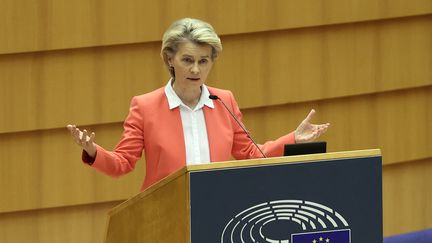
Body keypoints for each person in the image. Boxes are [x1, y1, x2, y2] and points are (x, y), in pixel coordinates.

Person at [67, 18, 330, 191]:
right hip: (164, 215)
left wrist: (293, 138)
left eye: (204, 61)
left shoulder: (223, 101)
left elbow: (251, 154)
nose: (196, 69)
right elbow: (122, 163)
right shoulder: (145, 107)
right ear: (170, 59)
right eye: (187, 60)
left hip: (217, 210)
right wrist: (93, 151)